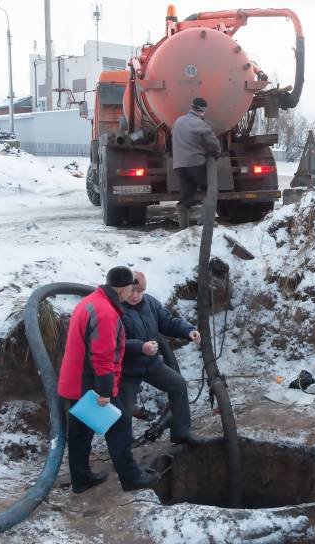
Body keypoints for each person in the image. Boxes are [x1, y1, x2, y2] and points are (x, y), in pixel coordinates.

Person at [57, 266, 158, 494]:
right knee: (119, 425)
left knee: (81, 431)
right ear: (123, 289)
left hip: (76, 379)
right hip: (91, 383)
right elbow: (102, 356)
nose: (132, 292)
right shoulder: (105, 313)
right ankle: (131, 478)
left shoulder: (92, 300)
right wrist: (105, 392)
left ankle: (81, 478)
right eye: (131, 288)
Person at [119, 271, 202, 456]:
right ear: (124, 288)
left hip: (150, 364)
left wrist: (189, 331)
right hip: (127, 369)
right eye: (132, 290)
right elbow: (116, 343)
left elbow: (168, 322)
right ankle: (123, 453)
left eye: (140, 291)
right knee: (123, 410)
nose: (135, 295)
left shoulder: (150, 303)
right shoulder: (115, 308)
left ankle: (182, 432)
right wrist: (141, 347)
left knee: (178, 384)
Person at [172, 97, 222, 229]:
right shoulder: (200, 124)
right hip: (195, 164)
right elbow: (213, 144)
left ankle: (183, 229)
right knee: (210, 189)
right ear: (202, 111)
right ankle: (206, 221)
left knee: (185, 197)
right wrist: (216, 154)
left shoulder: (178, 121)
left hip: (179, 165)